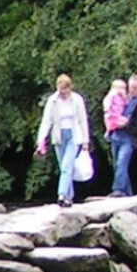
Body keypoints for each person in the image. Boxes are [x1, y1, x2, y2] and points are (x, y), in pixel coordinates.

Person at [34, 74, 91, 207]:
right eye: (60, 89)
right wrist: (40, 139)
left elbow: (83, 120)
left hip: (74, 135)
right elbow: (46, 121)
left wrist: (85, 140)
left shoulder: (77, 99)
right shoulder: (52, 101)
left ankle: (61, 194)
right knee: (64, 168)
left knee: (66, 165)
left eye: (65, 89)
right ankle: (69, 197)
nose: (63, 92)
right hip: (58, 136)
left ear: (70, 88)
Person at [104, 76, 137, 197]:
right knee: (117, 164)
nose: (132, 90)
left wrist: (126, 124)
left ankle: (118, 189)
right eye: (131, 87)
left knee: (122, 162)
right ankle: (128, 192)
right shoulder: (120, 98)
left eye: (135, 88)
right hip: (115, 134)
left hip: (129, 137)